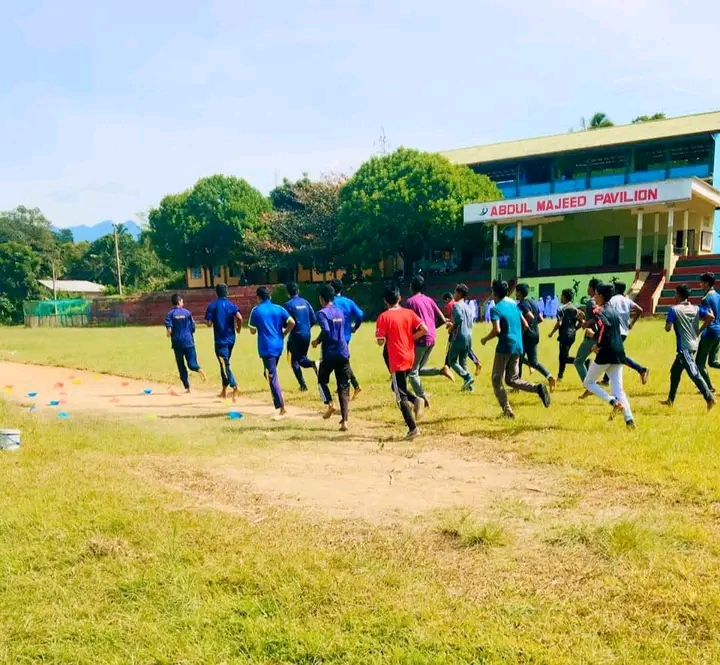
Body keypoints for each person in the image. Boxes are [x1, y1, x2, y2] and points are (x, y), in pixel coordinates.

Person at [481, 280, 551, 418]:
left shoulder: (496, 309)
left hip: (505, 347)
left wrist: (485, 339)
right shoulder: (513, 305)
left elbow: (497, 330)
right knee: (512, 379)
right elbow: (526, 325)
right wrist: (517, 338)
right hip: (518, 346)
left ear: (494, 293)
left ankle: (507, 411)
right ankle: (537, 388)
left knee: (496, 380)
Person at [376, 286, 428, 440]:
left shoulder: (384, 317)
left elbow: (380, 341)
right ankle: (417, 400)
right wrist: (411, 338)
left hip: (397, 359)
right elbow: (424, 329)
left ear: (385, 301)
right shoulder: (409, 313)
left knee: (400, 396)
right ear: (399, 298)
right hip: (409, 356)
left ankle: (413, 428)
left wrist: (387, 337)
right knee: (397, 387)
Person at [582, 284, 635, 429]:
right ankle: (629, 420)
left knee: (588, 383)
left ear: (601, 296)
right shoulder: (613, 311)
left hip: (606, 352)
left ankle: (612, 402)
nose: (594, 297)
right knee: (618, 389)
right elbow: (609, 330)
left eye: (596, 294)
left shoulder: (599, 311)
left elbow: (604, 328)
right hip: (619, 352)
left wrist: (597, 344)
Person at [661, 284, 715, 410]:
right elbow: (710, 317)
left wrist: (669, 322)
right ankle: (670, 400)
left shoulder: (674, 309)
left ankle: (710, 398)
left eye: (675, 293)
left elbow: (668, 328)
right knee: (675, 371)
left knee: (694, 373)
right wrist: (699, 330)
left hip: (684, 347)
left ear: (679, 295)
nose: (674, 296)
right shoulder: (695, 308)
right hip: (693, 343)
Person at [405, 275, 452, 411]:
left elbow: (408, 322)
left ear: (412, 287)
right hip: (432, 338)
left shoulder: (410, 302)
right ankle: (441, 370)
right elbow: (442, 318)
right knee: (418, 369)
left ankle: (423, 399)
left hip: (420, 339)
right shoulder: (429, 300)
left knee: (412, 372)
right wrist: (431, 328)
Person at [248, 286, 295, 416]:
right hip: (278, 345)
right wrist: (284, 333)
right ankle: (278, 396)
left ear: (258, 297)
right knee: (268, 373)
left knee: (271, 375)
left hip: (267, 347)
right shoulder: (279, 308)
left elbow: (252, 331)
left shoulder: (256, 310)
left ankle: (282, 406)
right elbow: (292, 322)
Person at [312, 284, 351, 431]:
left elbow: (326, 331)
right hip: (343, 351)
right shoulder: (340, 311)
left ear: (321, 298)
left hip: (329, 353)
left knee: (321, 381)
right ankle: (345, 421)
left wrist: (317, 341)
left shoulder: (322, 313)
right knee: (343, 387)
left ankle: (330, 404)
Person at [204, 284, 243, 401]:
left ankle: (235, 386)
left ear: (216, 293)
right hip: (231, 339)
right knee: (224, 363)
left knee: (224, 364)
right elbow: (240, 318)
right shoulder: (232, 305)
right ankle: (223, 391)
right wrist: (238, 329)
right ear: (227, 292)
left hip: (220, 341)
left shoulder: (212, 306)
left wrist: (211, 321)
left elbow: (209, 323)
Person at [516, 283, 556, 391]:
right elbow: (540, 319)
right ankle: (550, 377)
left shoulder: (522, 305)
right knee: (533, 362)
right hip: (535, 334)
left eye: (516, 291)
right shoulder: (533, 302)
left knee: (518, 360)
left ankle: (517, 386)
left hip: (526, 336)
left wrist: (525, 328)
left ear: (520, 293)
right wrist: (532, 326)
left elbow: (530, 317)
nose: (515, 294)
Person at [608, 281, 650, 385]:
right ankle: (606, 379)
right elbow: (640, 310)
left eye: (613, 288)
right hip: (624, 332)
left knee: (616, 355)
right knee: (612, 354)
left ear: (616, 289)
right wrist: (631, 323)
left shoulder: (611, 300)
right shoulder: (626, 300)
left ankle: (641, 369)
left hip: (615, 332)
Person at [165, 294, 206, 392]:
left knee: (181, 365)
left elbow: (169, 330)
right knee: (191, 363)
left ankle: (187, 387)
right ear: (179, 301)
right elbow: (193, 327)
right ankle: (198, 368)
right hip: (188, 341)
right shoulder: (187, 313)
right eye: (182, 301)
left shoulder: (170, 314)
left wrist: (168, 334)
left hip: (177, 343)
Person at [331, 280, 364, 400]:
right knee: (342, 361)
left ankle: (353, 386)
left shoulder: (331, 303)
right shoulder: (348, 301)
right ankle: (346, 385)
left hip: (335, 337)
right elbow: (360, 314)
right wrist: (355, 327)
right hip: (346, 336)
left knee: (340, 362)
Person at [282, 282, 317, 391]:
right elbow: (313, 319)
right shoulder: (306, 302)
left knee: (293, 361)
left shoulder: (287, 305)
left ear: (288, 293)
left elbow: (285, 323)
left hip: (295, 335)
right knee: (302, 359)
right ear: (298, 291)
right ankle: (314, 364)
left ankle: (303, 386)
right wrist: (305, 329)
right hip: (307, 334)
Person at [443, 291, 482, 375]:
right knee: (464, 355)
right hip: (467, 332)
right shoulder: (464, 305)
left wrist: (451, 325)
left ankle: (447, 368)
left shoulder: (452, 305)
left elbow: (456, 318)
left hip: (458, 332)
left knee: (452, 354)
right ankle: (469, 374)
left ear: (447, 299)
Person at [446, 284, 476, 391]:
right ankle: (469, 387)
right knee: (463, 361)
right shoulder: (468, 307)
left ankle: (467, 377)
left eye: (455, 292)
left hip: (459, 336)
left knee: (452, 361)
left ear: (459, 293)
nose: (454, 294)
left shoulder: (456, 305)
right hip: (469, 337)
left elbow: (459, 318)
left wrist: (452, 327)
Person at [574, 278, 602, 385]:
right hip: (599, 335)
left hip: (591, 337)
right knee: (606, 359)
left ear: (591, 288)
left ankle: (589, 385)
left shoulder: (591, 302)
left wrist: (585, 322)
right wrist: (583, 319)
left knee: (578, 361)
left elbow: (597, 317)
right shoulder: (601, 302)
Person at [696, 272, 720, 393]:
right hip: (719, 332)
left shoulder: (705, 299)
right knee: (713, 362)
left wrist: (699, 331)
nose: (700, 285)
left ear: (706, 284)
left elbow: (708, 318)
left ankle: (709, 388)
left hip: (710, 333)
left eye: (701, 282)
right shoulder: (718, 296)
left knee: (699, 363)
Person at [549, 289, 578, 381]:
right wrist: (575, 329)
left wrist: (552, 333)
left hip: (564, 335)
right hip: (572, 336)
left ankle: (582, 362)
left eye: (561, 296)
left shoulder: (561, 309)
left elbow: (559, 323)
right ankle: (560, 376)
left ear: (564, 297)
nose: (561, 297)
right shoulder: (575, 309)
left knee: (563, 357)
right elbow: (582, 322)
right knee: (563, 356)